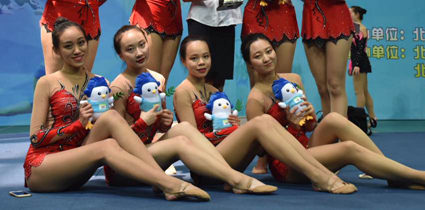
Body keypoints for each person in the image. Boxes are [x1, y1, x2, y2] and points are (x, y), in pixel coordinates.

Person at [243, 33, 425, 193]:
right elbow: (262, 150)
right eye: (258, 56)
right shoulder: (255, 99)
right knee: (348, 149)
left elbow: (310, 126)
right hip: (289, 165)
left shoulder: (292, 79)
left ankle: (392, 173)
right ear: (250, 64)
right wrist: (291, 125)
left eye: (269, 51)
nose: (267, 58)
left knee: (333, 118)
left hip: (306, 147)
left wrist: (308, 115)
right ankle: (424, 177)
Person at [23, 17, 210, 200]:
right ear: (56, 50)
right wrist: (79, 124)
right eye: (68, 46)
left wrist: (161, 123)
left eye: (81, 43)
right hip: (45, 167)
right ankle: (168, 184)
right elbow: (35, 138)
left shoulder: (101, 82)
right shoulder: (46, 82)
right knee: (106, 145)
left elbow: (110, 130)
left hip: (79, 165)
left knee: (111, 124)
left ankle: (161, 181)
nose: (77, 50)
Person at [174, 35, 358, 195]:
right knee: (261, 122)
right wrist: (229, 134)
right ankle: (319, 176)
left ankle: (324, 174)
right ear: (183, 61)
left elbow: (308, 126)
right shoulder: (183, 91)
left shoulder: (214, 90)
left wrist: (234, 127)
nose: (201, 62)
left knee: (340, 133)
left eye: (205, 56)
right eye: (194, 58)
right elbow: (193, 142)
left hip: (227, 160)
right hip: (205, 166)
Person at [107, 25, 276, 194]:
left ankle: (230, 176)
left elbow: (160, 127)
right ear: (121, 55)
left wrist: (165, 122)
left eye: (142, 45)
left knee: (183, 128)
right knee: (183, 136)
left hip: (150, 152)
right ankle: (234, 178)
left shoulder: (158, 79)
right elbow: (119, 138)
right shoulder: (119, 87)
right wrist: (143, 122)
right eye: (130, 49)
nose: (139, 53)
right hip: (126, 162)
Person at [348, 6, 378, 127]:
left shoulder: (361, 28)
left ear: (357, 14)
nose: (348, 14)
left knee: (359, 92)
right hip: (358, 61)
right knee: (364, 92)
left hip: (360, 62)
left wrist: (356, 65)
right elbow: (354, 48)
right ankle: (372, 117)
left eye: (350, 12)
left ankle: (359, 120)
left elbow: (359, 49)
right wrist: (352, 64)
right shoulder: (355, 27)